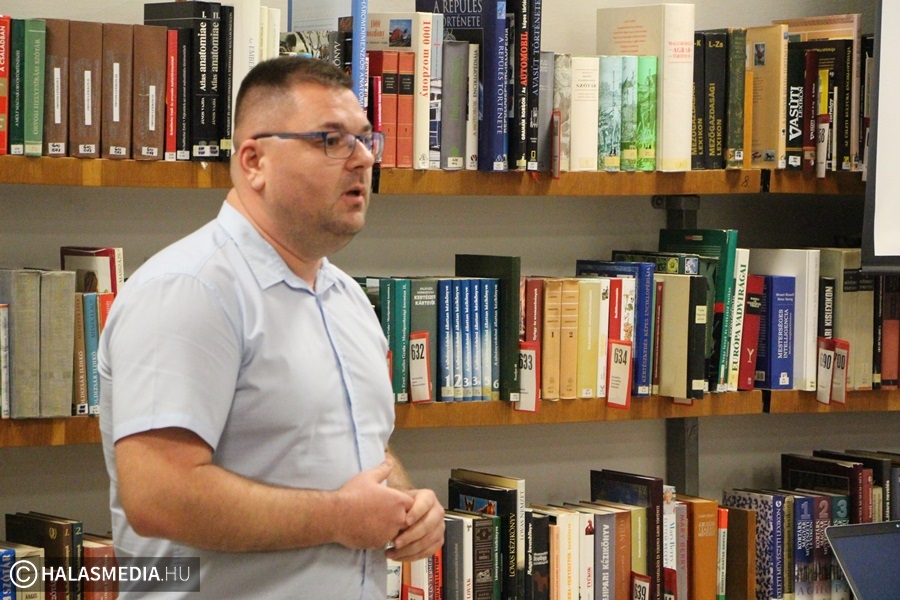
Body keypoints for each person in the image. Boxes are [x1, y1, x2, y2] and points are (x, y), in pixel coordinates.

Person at [99, 56, 445, 598]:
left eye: (364, 139)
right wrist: (338, 517)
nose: (361, 159)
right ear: (254, 161)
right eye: (331, 140)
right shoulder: (190, 289)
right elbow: (159, 495)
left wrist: (408, 506)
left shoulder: (347, 297)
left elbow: (358, 450)